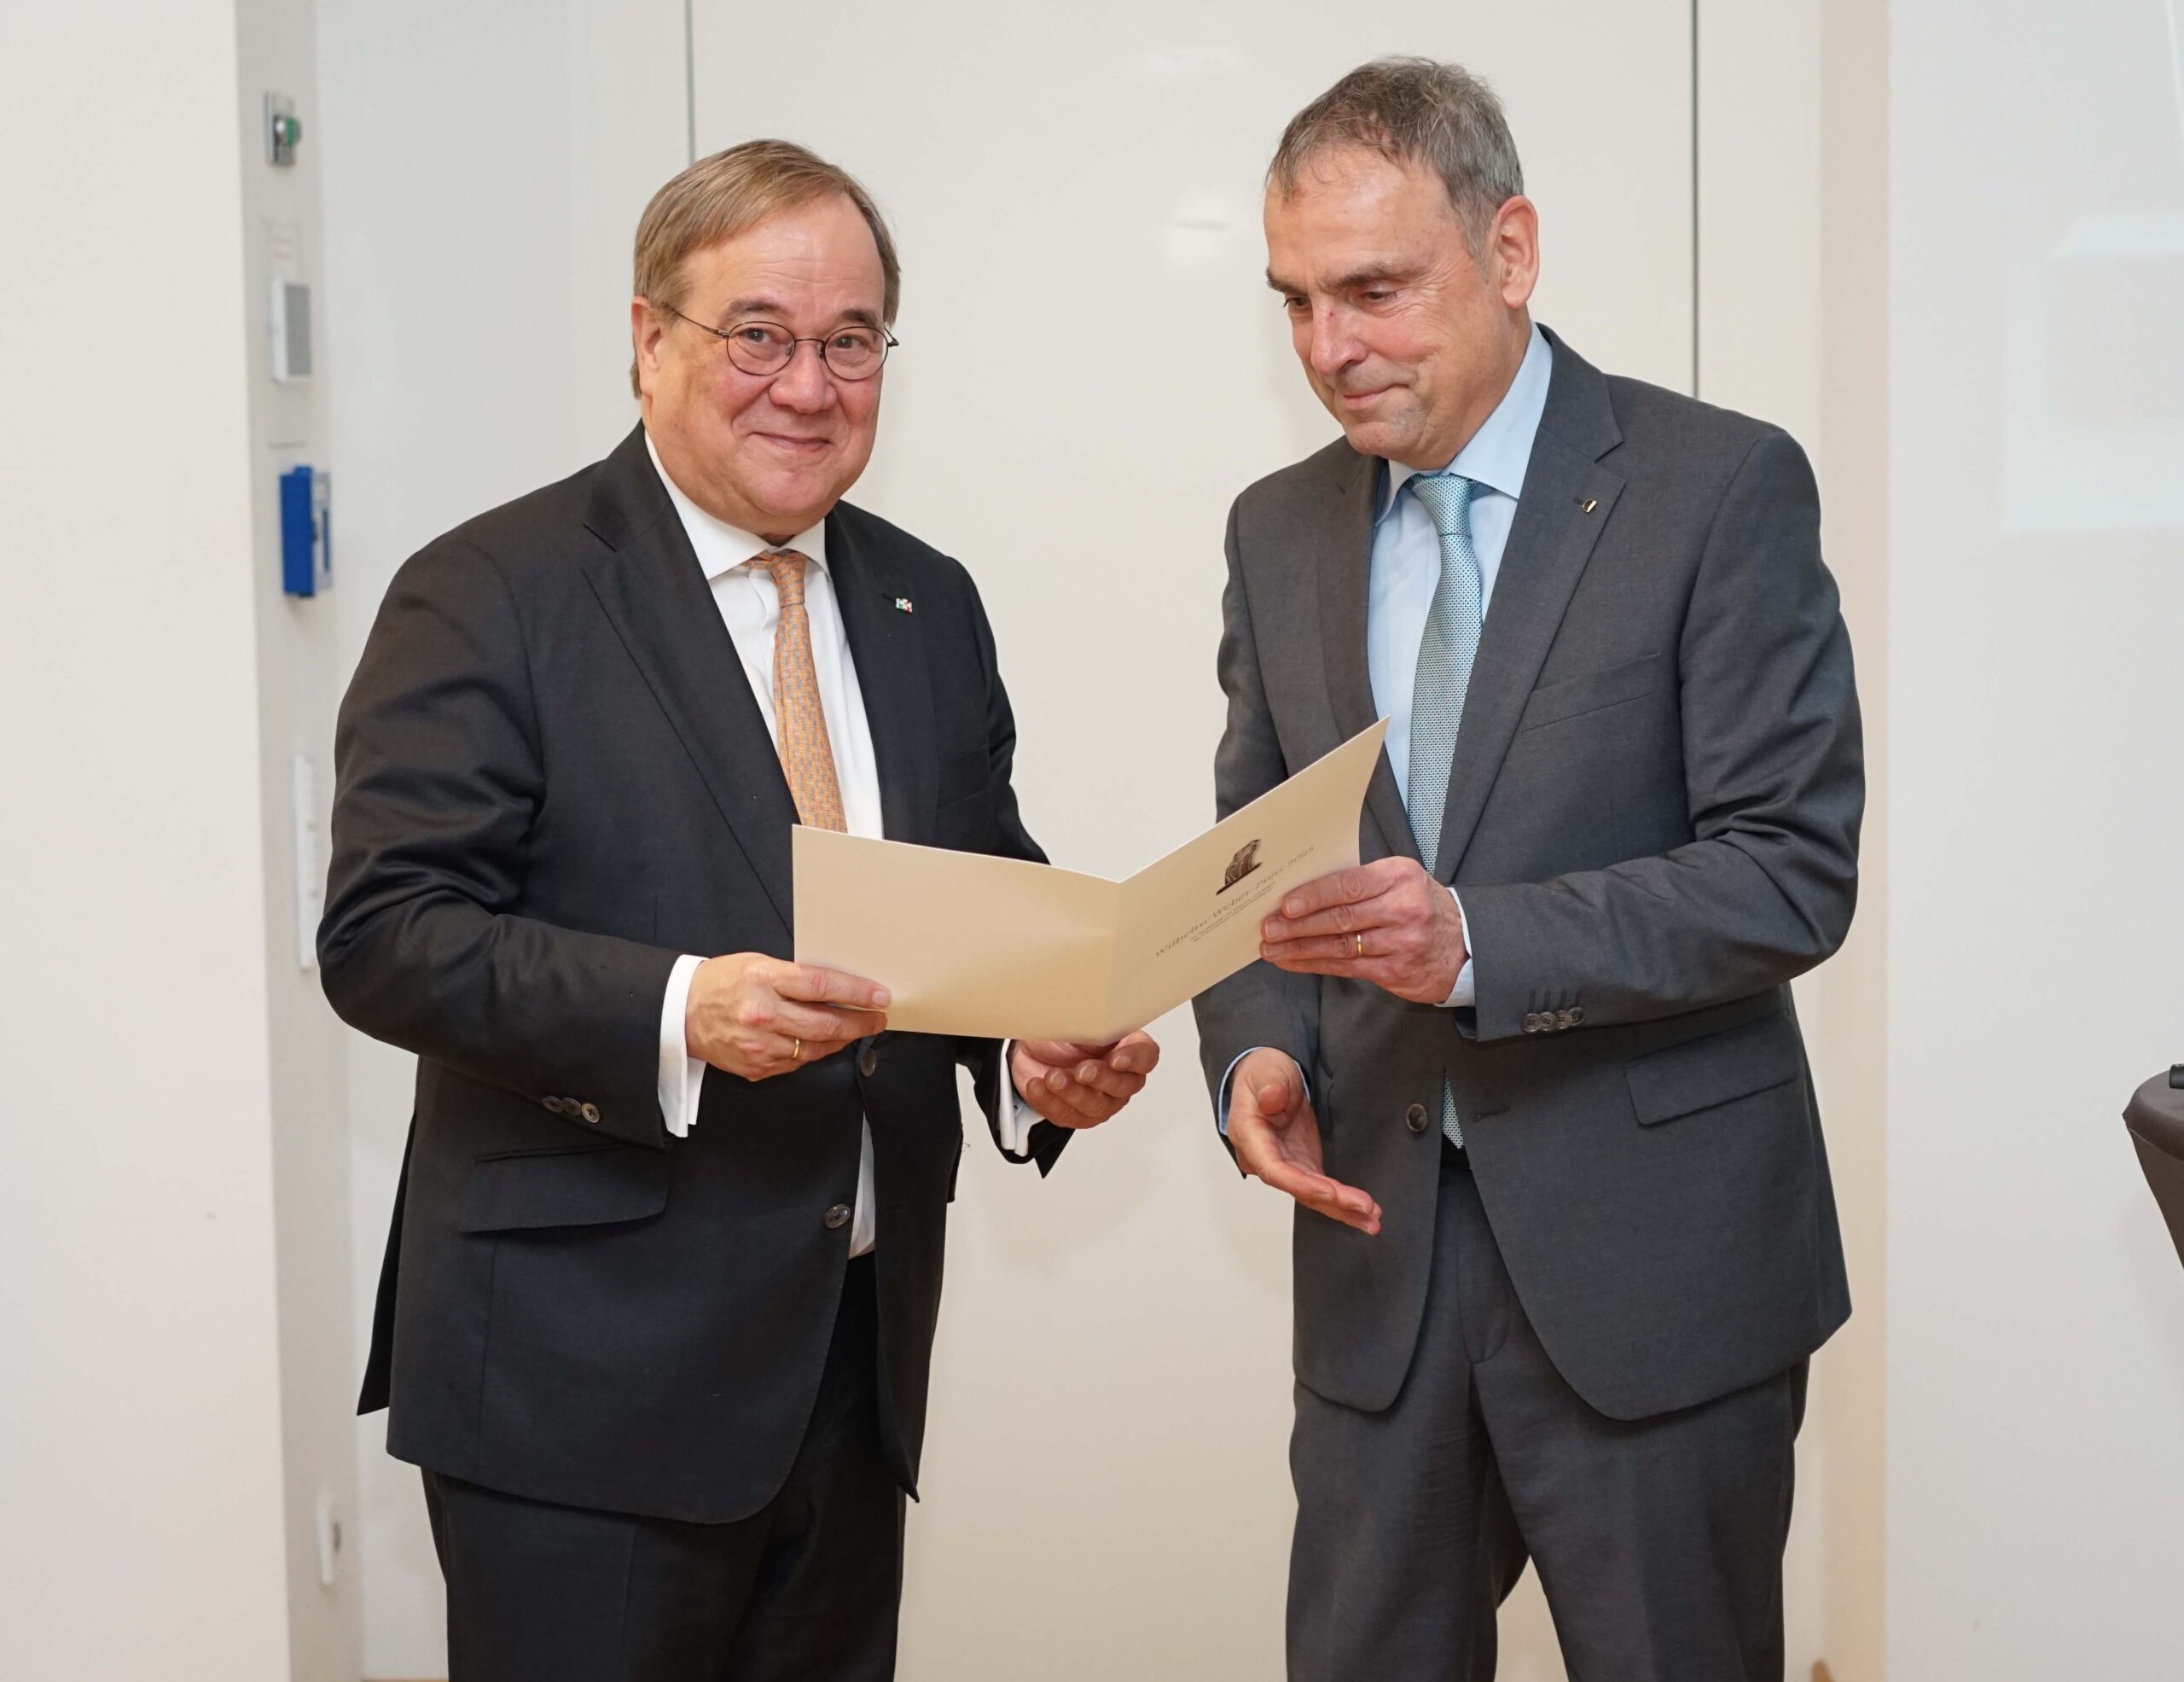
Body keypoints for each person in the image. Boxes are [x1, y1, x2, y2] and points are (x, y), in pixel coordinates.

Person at [322, 138, 1158, 1681]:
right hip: (581, 1389)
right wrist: (676, 1008)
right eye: (757, 333)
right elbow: (386, 932)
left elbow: (979, 899)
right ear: (649, 340)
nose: (808, 383)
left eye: (851, 342)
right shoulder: (491, 588)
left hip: (847, 1373)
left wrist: (1040, 1055)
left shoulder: (927, 601)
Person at [1193, 58, 1862, 1680]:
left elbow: (1790, 870)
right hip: (1379, 1267)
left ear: (1511, 249)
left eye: (1374, 290)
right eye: (1295, 301)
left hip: (1658, 1278)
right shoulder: (1276, 529)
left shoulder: (1720, 486)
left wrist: (1476, 941)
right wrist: (1261, 1045)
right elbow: (1253, 862)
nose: (1329, 348)